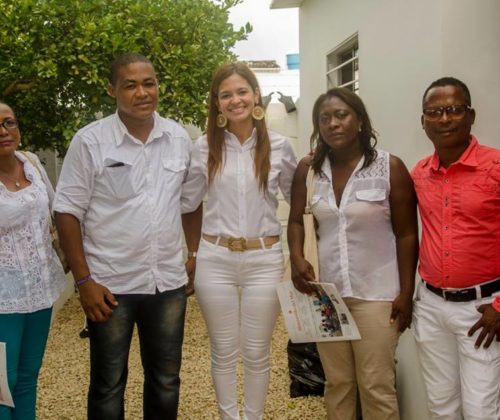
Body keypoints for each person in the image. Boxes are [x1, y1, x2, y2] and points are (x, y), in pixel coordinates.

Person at [53, 53, 198, 419]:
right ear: (112, 90)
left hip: (166, 283)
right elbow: (67, 211)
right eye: (130, 85)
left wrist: (193, 253)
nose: (142, 92)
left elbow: (191, 203)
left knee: (166, 380)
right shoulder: (91, 142)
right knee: (108, 384)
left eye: (148, 83)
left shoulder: (178, 138)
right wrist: (83, 279)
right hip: (109, 285)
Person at [288, 88, 418, 420]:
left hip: (377, 296)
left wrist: (406, 292)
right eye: (324, 118)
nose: (333, 123)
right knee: (338, 383)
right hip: (326, 297)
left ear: (359, 120)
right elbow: (295, 221)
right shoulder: (309, 170)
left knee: (376, 385)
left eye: (342, 115)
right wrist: (296, 258)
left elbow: (406, 234)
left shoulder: (391, 168)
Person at [181, 62, 297, 419]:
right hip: (215, 259)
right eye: (226, 95)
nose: (235, 100)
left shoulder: (279, 147)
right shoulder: (202, 149)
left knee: (258, 351)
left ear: (256, 95)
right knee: (223, 351)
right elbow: (186, 203)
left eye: (242, 92)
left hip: (265, 258)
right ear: (216, 104)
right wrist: (191, 253)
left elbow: (299, 202)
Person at [412, 76, 500, 419]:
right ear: (423, 122)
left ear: (471, 115)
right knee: (442, 407)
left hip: (483, 312)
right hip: (432, 307)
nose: (444, 119)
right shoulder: (419, 173)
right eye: (434, 112)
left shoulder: (495, 167)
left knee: (481, 411)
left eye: (453, 110)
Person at [0, 101, 67, 419]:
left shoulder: (32, 164)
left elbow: (56, 211)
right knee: (2, 385)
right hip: (3, 301)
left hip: (40, 293)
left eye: (9, 122)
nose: (3, 131)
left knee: (27, 378)